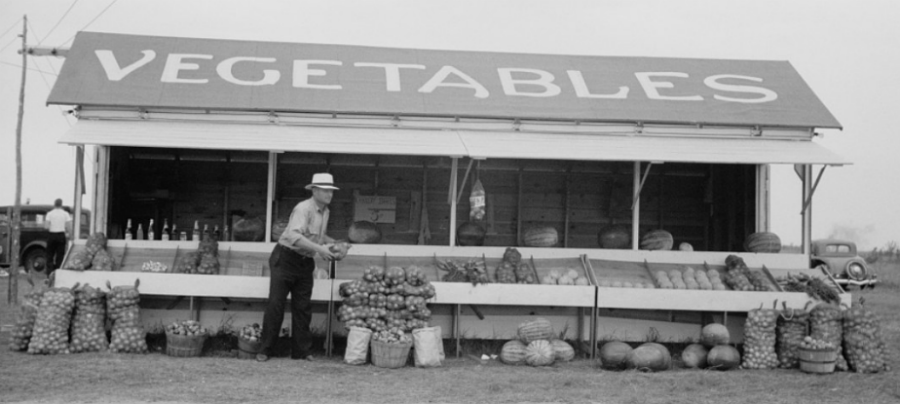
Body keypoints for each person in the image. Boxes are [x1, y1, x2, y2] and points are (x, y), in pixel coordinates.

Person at [257, 173, 339, 362]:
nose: (330, 194)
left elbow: (318, 236)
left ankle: (301, 351)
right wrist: (320, 249)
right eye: (326, 190)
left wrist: (336, 243)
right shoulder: (303, 209)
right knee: (276, 305)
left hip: (304, 262)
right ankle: (265, 350)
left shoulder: (326, 211)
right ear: (315, 190)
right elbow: (294, 237)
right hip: (285, 258)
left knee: (303, 307)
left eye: (331, 191)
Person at [44, 198, 71, 275]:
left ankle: (49, 273)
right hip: (61, 235)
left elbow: (46, 226)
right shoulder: (65, 214)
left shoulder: (50, 214)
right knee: (60, 255)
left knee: (50, 255)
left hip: (52, 235)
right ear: (61, 204)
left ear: (54, 204)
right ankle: (58, 273)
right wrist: (70, 235)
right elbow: (69, 227)